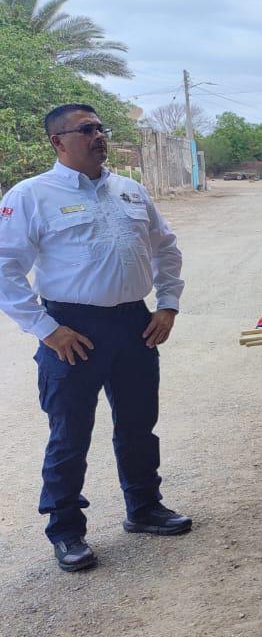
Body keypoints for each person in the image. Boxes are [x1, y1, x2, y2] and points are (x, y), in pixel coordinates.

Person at [0, 104, 191, 573]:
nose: (99, 135)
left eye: (100, 128)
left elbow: (166, 248)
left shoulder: (129, 190)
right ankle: (66, 532)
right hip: (71, 330)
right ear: (57, 142)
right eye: (86, 130)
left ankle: (144, 506)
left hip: (134, 323)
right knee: (69, 434)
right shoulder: (31, 196)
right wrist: (47, 330)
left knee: (138, 423)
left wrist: (166, 305)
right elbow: (5, 270)